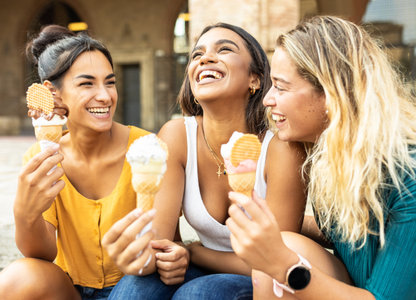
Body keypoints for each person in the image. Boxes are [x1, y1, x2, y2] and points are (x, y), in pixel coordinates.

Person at [226, 15, 416, 300]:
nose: (268, 99)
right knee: (283, 249)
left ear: (333, 95)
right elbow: (353, 235)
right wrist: (270, 221)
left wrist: (282, 263)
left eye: (281, 87)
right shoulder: (328, 156)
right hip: (356, 288)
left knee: (277, 261)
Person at [105, 22, 307, 300]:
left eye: (224, 49)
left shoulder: (282, 149)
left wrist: (193, 251)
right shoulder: (176, 136)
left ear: (255, 79)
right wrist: (160, 256)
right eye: (196, 55)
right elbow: (162, 244)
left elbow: (276, 261)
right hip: (199, 266)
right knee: (135, 289)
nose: (205, 58)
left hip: (263, 279)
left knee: (199, 294)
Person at [0, 25, 156, 299]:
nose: (105, 96)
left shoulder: (147, 149)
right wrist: (26, 214)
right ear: (52, 92)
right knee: (17, 278)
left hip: (137, 284)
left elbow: (169, 238)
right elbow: (42, 255)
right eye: (87, 83)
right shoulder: (42, 156)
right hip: (70, 290)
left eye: (110, 82)